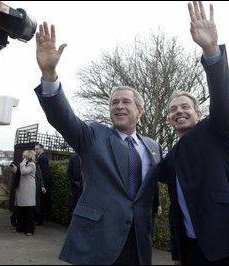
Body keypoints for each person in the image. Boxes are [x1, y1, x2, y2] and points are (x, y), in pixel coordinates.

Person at [34, 21, 163, 265]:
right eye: (114, 103)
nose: (119, 106)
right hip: (98, 242)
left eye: (126, 102)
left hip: (139, 243)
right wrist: (49, 75)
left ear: (140, 110)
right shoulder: (93, 135)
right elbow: (63, 118)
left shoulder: (153, 147)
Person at [158, 1, 229, 265]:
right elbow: (177, 208)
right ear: (168, 119)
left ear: (198, 113)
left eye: (186, 106)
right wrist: (178, 253)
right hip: (195, 254)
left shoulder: (216, 130)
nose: (179, 111)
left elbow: (223, 98)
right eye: (173, 109)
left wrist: (210, 50)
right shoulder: (170, 158)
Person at [11, 150, 37, 236]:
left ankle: (29, 230)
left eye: (24, 156)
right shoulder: (24, 164)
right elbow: (19, 172)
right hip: (22, 190)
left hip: (28, 190)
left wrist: (22, 164)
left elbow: (24, 172)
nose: (22, 157)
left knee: (28, 211)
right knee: (21, 210)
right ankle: (20, 228)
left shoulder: (32, 164)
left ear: (28, 156)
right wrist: (14, 167)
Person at [34, 143, 49, 225]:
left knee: (40, 202)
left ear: (41, 149)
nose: (35, 150)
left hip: (41, 182)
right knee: (39, 201)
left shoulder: (42, 158)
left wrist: (43, 184)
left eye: (37, 149)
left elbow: (43, 172)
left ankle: (39, 220)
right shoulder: (39, 157)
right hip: (41, 182)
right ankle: (38, 219)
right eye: (35, 149)